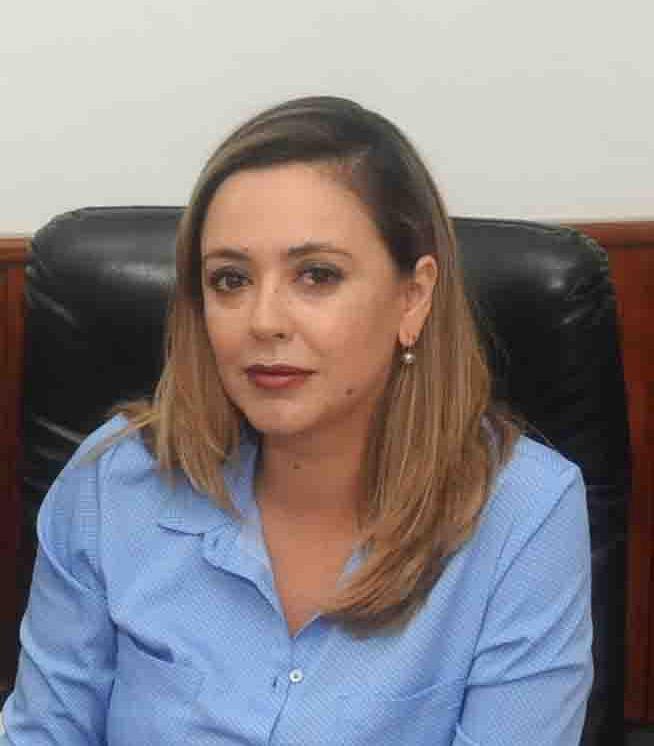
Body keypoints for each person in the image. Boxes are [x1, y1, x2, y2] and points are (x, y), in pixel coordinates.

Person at [0, 96, 592, 745]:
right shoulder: (113, 483)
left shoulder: (525, 512)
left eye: (316, 275)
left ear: (413, 297)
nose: (264, 321)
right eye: (230, 280)